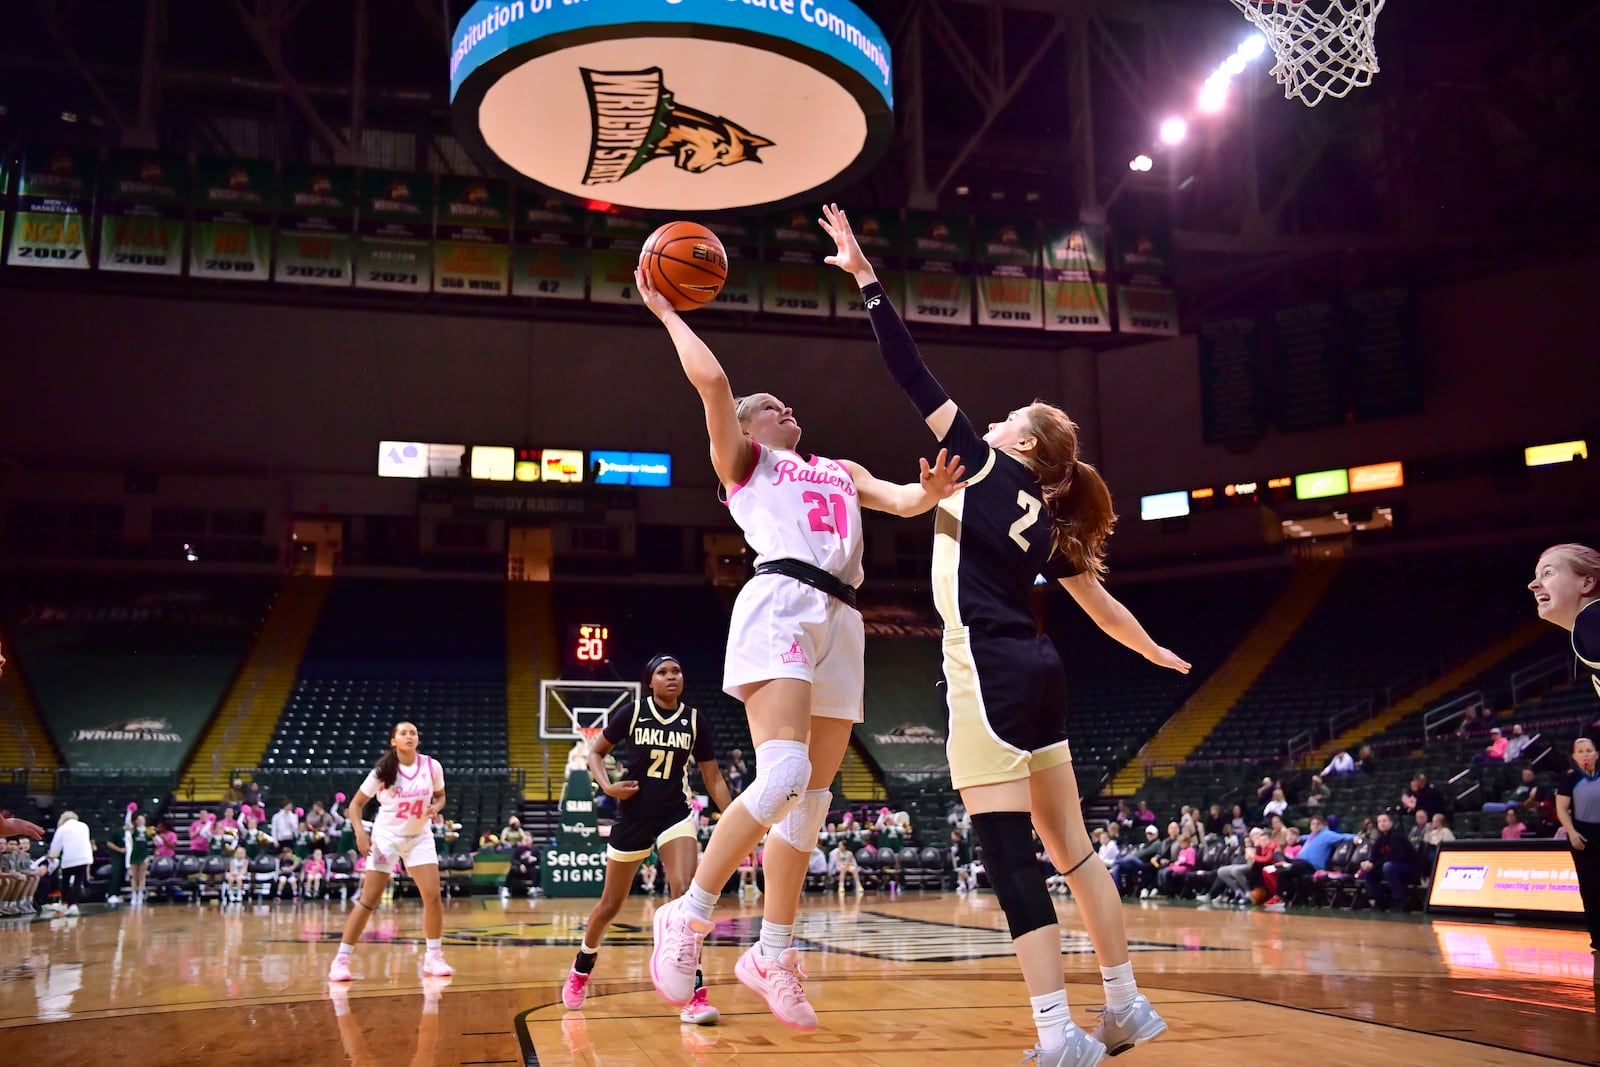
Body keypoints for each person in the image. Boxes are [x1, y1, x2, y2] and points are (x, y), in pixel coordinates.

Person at [821, 203, 1191, 1064]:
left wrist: (868, 280)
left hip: (985, 670)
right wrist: (1152, 650)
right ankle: (1126, 1002)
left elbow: (908, 370)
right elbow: (1102, 609)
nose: (986, 420)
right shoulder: (1047, 520)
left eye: (1005, 417)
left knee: (1008, 853)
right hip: (1043, 669)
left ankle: (1059, 1035)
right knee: (1076, 850)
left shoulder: (987, 464)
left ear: (1021, 441)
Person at [637, 262, 968, 1033]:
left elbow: (906, 500)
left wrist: (932, 490)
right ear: (753, 429)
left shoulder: (841, 469)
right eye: (775, 407)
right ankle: (687, 915)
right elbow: (715, 386)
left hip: (843, 617)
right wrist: (667, 311)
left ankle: (772, 951)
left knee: (810, 803)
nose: (791, 408)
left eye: (789, 406)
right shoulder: (749, 464)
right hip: (781, 598)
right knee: (784, 772)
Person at [563, 655, 734, 1026]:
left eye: (677, 670)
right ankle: (581, 967)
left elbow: (714, 777)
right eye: (663, 672)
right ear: (650, 682)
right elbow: (595, 753)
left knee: (688, 896)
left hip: (674, 812)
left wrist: (741, 821)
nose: (672, 676)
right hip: (633, 815)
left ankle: (695, 993)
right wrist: (608, 786)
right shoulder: (633, 712)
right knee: (610, 904)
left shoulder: (694, 721)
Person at [328, 721, 452, 982]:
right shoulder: (382, 770)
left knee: (432, 896)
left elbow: (441, 796)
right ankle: (341, 960)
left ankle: (433, 956)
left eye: (413, 733)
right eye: (403, 733)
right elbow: (354, 806)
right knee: (368, 899)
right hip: (386, 837)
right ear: (394, 740)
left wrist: (436, 807)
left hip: (419, 836)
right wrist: (360, 833)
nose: (409, 736)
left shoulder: (432, 766)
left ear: (418, 739)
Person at [1555, 737, 1600, 952]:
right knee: (1591, 887)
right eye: (1580, 751)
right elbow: (1562, 808)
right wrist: (1572, 832)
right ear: (1574, 756)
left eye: (1589, 750)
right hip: (1582, 835)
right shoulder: (1570, 780)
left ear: (1596, 754)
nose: (1585, 754)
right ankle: (1598, 937)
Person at [1361, 811, 1419, 912]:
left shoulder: (1397, 836)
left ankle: (1399, 900)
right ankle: (1378, 899)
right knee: (1366, 869)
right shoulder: (1380, 839)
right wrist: (1368, 863)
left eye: (1384, 821)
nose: (1382, 823)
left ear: (1391, 823)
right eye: (1379, 822)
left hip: (1407, 868)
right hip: (1390, 867)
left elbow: (1394, 857)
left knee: (1388, 866)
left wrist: (1374, 865)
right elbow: (1374, 856)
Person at [44, 810, 94, 916]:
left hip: (69, 858)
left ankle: (65, 904)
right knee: (78, 882)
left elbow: (56, 845)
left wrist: (53, 855)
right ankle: (74, 905)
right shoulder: (84, 826)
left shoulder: (62, 829)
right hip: (84, 858)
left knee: (65, 882)